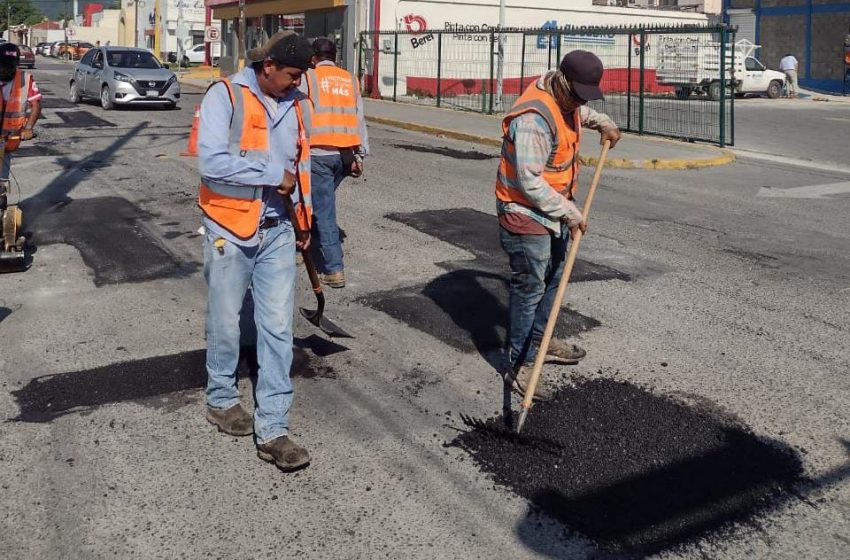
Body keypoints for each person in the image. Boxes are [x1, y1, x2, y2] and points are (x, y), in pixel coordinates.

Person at [197, 31, 314, 472]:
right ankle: (222, 399)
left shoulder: (297, 104)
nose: (295, 83)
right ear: (268, 67)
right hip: (229, 226)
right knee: (226, 321)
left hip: (279, 229)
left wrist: (304, 223)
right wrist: (270, 173)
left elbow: (299, 167)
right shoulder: (224, 96)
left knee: (278, 328)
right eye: (290, 75)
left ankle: (273, 429)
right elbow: (211, 162)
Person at [496, 50, 621, 401]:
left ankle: (541, 342)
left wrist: (605, 122)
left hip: (554, 211)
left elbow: (581, 112)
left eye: (586, 95)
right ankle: (519, 365)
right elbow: (529, 182)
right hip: (524, 211)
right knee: (530, 288)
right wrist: (571, 212)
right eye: (578, 93)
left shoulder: (566, 98)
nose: (580, 101)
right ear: (563, 81)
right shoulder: (534, 120)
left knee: (552, 280)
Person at [300, 37, 368, 288]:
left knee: (324, 210)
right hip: (344, 156)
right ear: (334, 56)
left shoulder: (308, 77)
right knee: (314, 202)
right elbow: (359, 118)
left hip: (318, 154)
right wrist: (359, 155)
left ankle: (333, 268)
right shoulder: (350, 79)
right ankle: (304, 245)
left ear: (313, 57)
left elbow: (300, 114)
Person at [0, 42, 42, 200]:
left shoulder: (25, 78)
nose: (6, 68)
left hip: (9, 136)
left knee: (1, 177)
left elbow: (36, 104)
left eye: (10, 64)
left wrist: (28, 128)